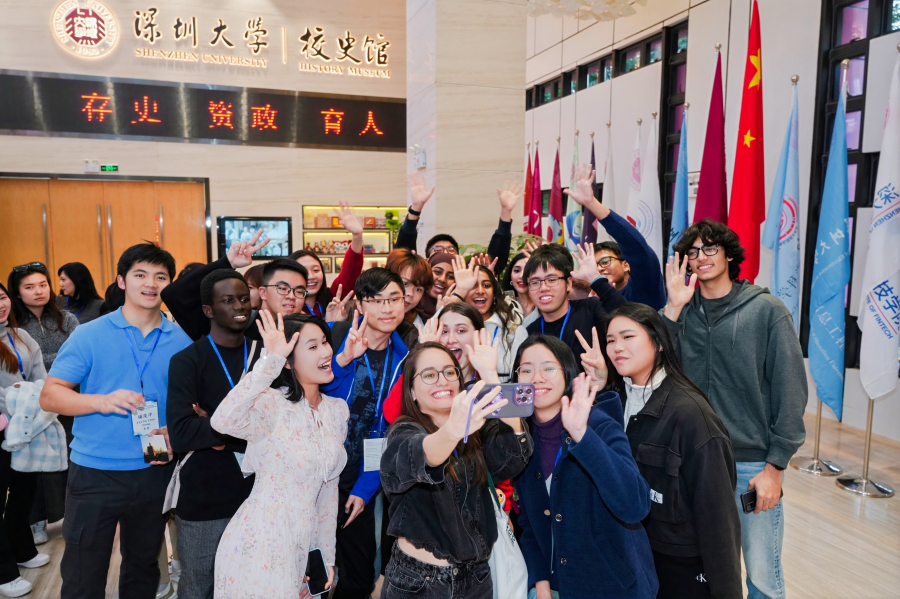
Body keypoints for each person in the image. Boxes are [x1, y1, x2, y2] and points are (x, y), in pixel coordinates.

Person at [38, 243, 192, 599]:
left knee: (143, 567)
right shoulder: (90, 334)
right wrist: (100, 401)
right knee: (83, 573)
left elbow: (193, 403)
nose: (150, 283)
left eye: (160, 277)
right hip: (95, 471)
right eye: (140, 274)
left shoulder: (181, 340)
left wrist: (176, 430)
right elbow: (50, 395)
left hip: (155, 467)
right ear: (121, 281)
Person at [665, 219, 808, 599]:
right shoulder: (683, 312)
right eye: (693, 251)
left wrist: (775, 468)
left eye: (710, 248)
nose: (701, 257)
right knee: (704, 571)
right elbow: (657, 370)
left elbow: (791, 390)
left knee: (762, 574)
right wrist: (673, 309)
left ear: (729, 254)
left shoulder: (766, 310)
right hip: (693, 461)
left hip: (750, 464)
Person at [598, 303, 741, 598]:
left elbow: (718, 519)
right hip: (630, 555)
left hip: (679, 566)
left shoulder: (691, 415)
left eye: (628, 337)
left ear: (659, 342)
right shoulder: (614, 401)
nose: (617, 347)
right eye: (610, 340)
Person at [210, 311, 348, 599]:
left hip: (306, 541)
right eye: (313, 346)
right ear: (288, 361)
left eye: (325, 342)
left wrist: (326, 557)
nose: (326, 352)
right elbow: (222, 421)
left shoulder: (336, 411)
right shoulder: (272, 404)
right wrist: (269, 361)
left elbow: (328, 493)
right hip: (261, 540)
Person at [379, 341, 531, 599]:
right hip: (419, 582)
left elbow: (514, 454)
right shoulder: (403, 431)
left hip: (476, 578)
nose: (442, 380)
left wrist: (491, 376)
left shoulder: (477, 429)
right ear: (412, 391)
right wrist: (453, 430)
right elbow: (423, 455)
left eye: (450, 372)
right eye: (429, 375)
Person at [511, 335, 657, 599]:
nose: (537, 378)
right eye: (526, 370)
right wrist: (541, 582)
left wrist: (582, 435)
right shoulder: (522, 439)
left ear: (568, 374)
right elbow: (530, 525)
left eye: (548, 368)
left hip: (614, 587)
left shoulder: (598, 424)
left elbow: (635, 504)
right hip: (556, 587)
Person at [321, 268, 416, 599]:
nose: (387, 308)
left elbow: (390, 434)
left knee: (359, 576)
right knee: (308, 568)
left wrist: (364, 488)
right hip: (317, 470)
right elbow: (313, 394)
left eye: (394, 299)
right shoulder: (332, 337)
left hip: (361, 473)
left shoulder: (406, 360)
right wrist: (343, 359)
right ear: (360, 305)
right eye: (377, 300)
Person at [166, 269, 257, 599]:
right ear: (208, 310)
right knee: (199, 586)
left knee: (251, 584)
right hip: (205, 498)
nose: (239, 306)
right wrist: (244, 429)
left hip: (259, 495)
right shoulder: (187, 361)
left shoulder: (265, 358)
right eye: (228, 300)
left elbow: (280, 427)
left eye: (244, 299)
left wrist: (215, 427)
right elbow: (182, 433)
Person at [0, 282, 50, 598]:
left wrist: (32, 401)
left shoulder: (20, 336)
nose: (0, 305)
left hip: (25, 425)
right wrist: (21, 402)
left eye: (1, 297)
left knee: (23, 492)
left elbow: (40, 377)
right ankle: (4, 573)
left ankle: (21, 549)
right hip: (4, 426)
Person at [564, 162, 666, 310]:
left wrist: (591, 203)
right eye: (595, 266)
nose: (600, 269)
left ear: (626, 265)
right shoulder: (595, 299)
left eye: (605, 261)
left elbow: (635, 246)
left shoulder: (643, 287)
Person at [395, 173, 522, 275]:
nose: (445, 253)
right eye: (437, 249)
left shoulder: (468, 282)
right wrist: (415, 209)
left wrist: (506, 212)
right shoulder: (419, 283)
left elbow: (494, 261)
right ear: (427, 260)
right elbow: (403, 254)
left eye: (451, 250)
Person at [523, 243, 624, 369]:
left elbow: (630, 319)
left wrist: (596, 279)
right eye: (535, 282)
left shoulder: (591, 309)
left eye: (552, 280)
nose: (543, 288)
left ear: (568, 283)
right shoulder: (530, 331)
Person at [448, 257, 526, 380]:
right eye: (473, 285)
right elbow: (425, 341)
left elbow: (519, 381)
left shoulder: (514, 332)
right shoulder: (451, 330)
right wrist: (459, 292)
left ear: (494, 292)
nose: (480, 291)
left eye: (486, 285)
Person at [289, 201, 365, 319]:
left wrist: (357, 236)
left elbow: (351, 272)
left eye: (316, 270)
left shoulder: (334, 297)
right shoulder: (287, 305)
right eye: (303, 271)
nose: (311, 276)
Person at [8, 262, 79, 373]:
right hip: (28, 383)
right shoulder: (11, 325)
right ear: (18, 293)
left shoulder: (67, 319)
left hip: (69, 379)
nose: (39, 292)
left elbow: (79, 354)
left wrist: (35, 359)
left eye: (43, 285)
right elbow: (16, 362)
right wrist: (63, 356)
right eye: (29, 287)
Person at [385, 247, 434, 328]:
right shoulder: (367, 315)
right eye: (405, 284)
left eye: (418, 289)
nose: (410, 294)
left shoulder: (420, 327)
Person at [502, 252, 535, 319]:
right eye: (517, 271)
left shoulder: (546, 302)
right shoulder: (504, 304)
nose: (522, 276)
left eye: (528, 271)